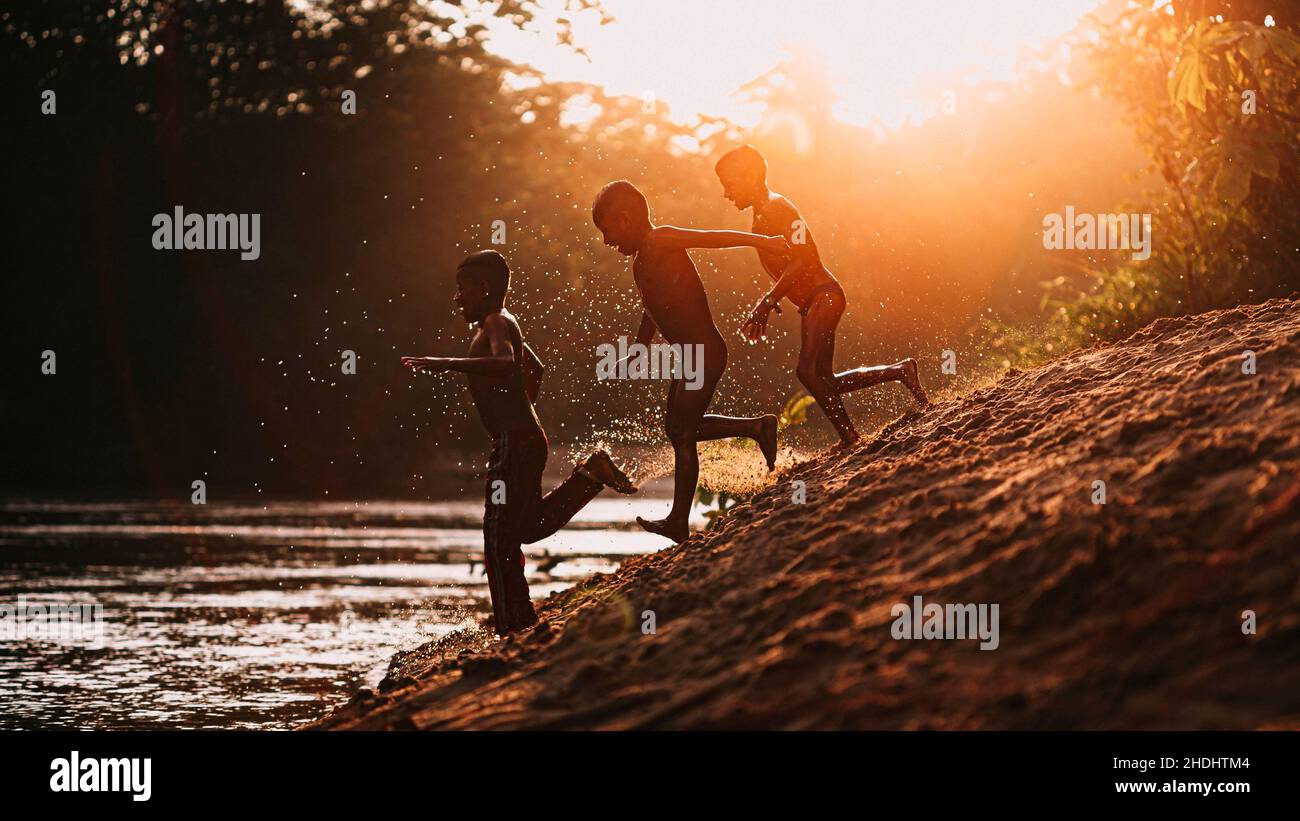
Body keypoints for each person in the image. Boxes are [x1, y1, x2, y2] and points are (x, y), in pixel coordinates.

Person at [401, 250, 636, 635]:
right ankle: (591, 474)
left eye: (462, 290)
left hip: (514, 443)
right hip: (524, 438)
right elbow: (535, 369)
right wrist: (519, 408)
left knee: (498, 538)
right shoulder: (506, 321)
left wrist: (447, 364)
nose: (457, 298)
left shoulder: (494, 322)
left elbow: (507, 363)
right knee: (521, 529)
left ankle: (513, 626)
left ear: (484, 288)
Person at [592, 180, 784, 544]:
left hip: (705, 351)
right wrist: (639, 347)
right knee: (678, 427)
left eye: (607, 231)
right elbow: (650, 309)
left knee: (682, 433)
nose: (606, 241)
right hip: (689, 357)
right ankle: (757, 428)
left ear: (626, 218)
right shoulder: (639, 263)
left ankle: (679, 522)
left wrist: (762, 241)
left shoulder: (660, 239)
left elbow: (712, 237)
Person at [714, 145, 929, 447]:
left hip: (824, 296)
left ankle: (851, 438)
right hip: (813, 302)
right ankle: (900, 371)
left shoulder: (779, 208)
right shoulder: (761, 214)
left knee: (807, 372)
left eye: (729, 184)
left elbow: (804, 259)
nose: (726, 193)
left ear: (750, 177)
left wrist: (767, 301)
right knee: (824, 379)